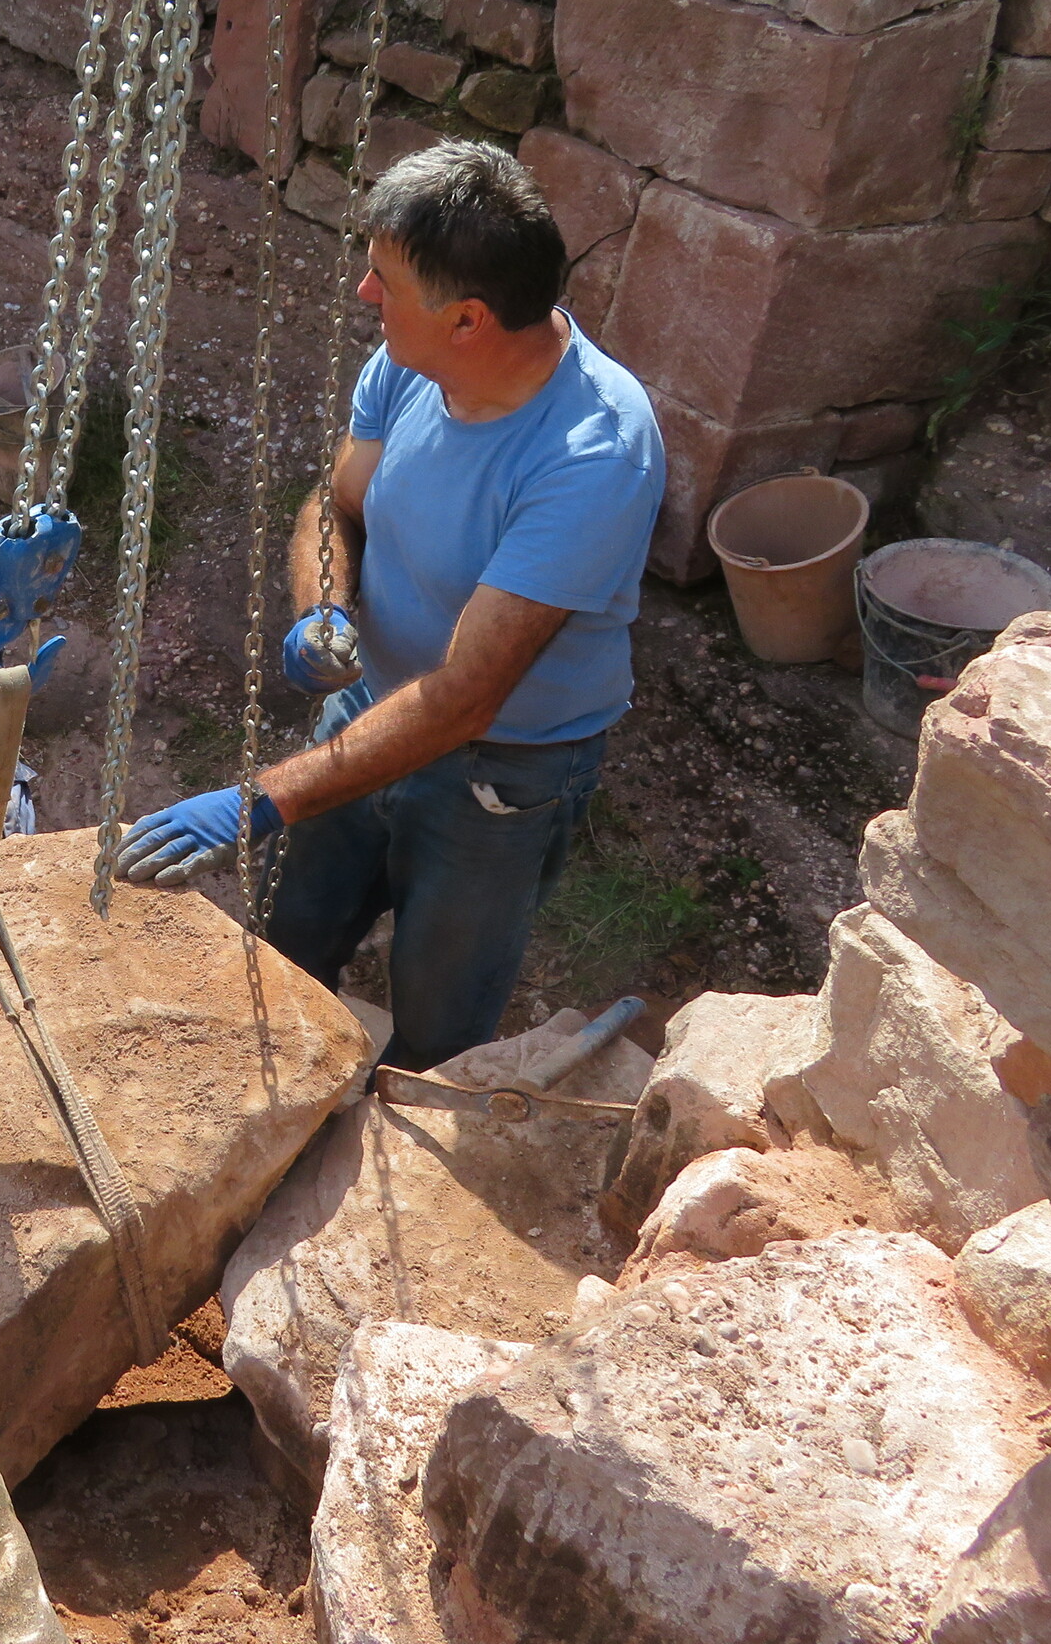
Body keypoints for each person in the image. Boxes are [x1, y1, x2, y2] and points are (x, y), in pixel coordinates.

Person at [119, 141, 663, 1073]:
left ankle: (399, 1125)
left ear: (468, 320)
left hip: (502, 774)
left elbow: (464, 700)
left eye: (385, 281)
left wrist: (257, 800)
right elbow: (335, 505)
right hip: (367, 709)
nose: (364, 293)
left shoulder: (592, 455)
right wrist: (323, 611)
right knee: (286, 948)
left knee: (439, 1024)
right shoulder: (413, 361)